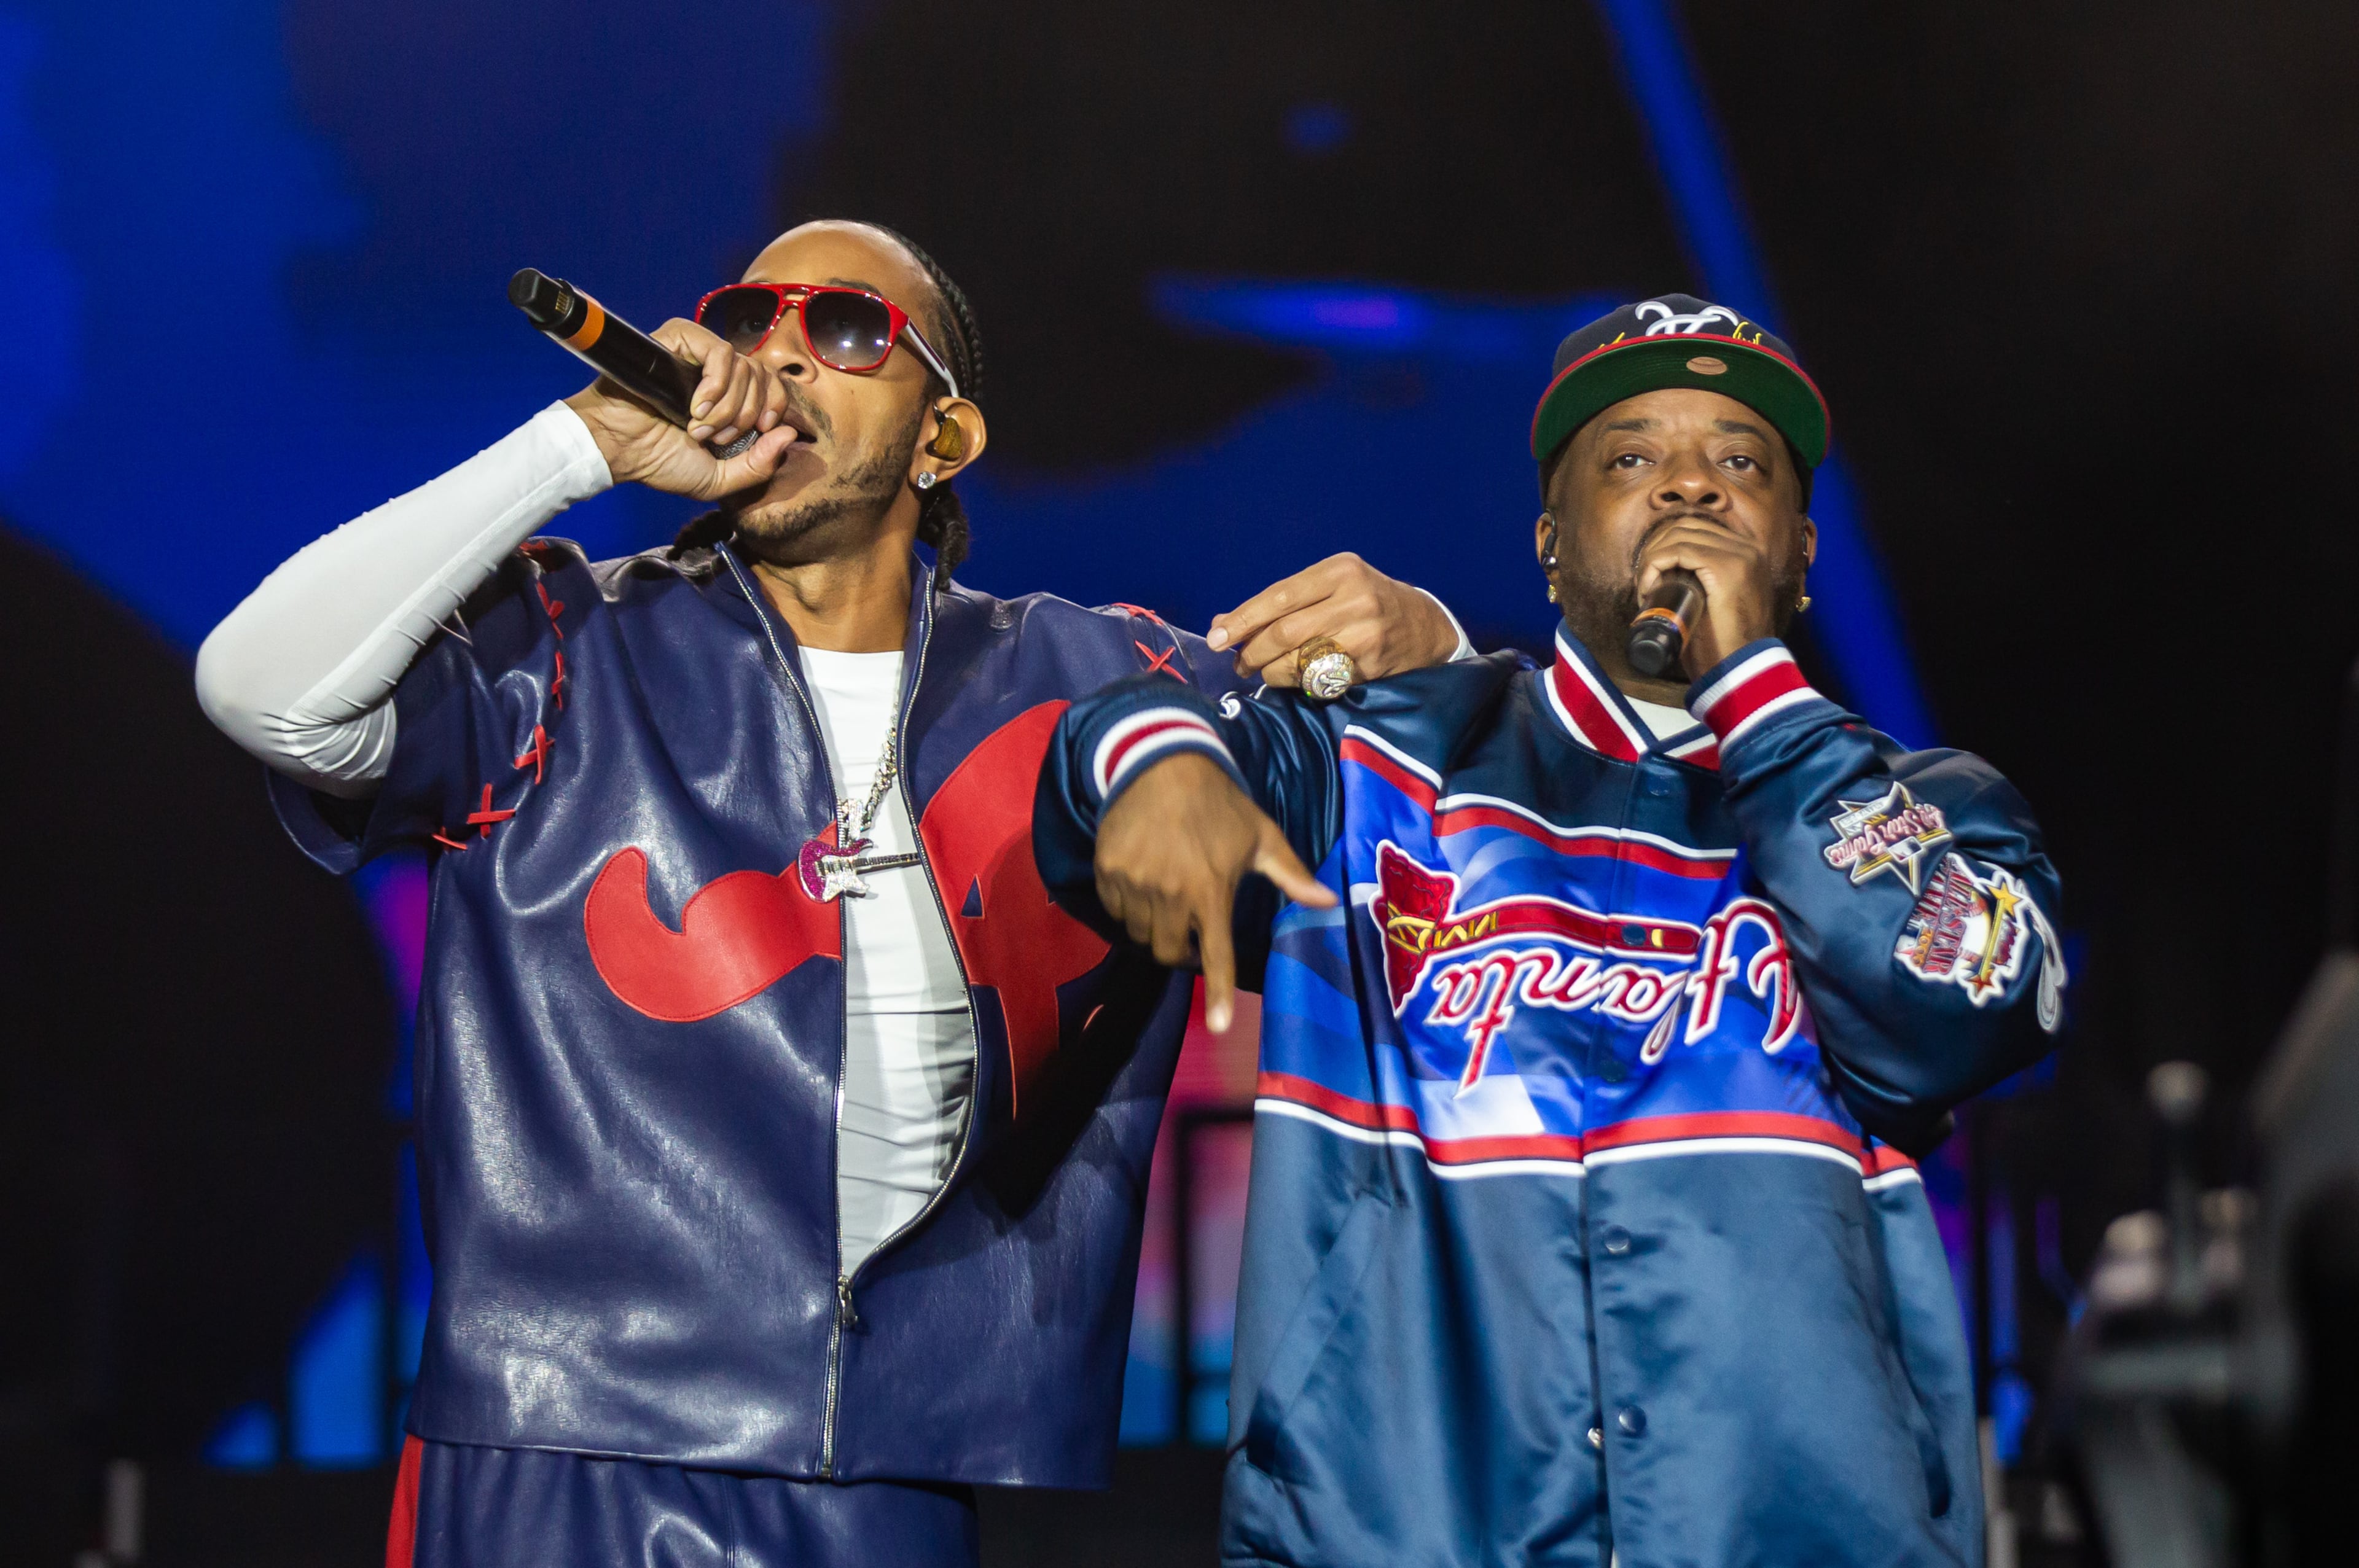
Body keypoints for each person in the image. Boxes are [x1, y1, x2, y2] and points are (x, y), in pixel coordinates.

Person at [194, 219, 1470, 1568]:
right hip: (559, 1435)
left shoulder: (1099, 684)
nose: (782, 357)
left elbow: (1466, 846)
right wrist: (582, 445)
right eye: (751, 322)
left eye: (848, 329)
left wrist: (1435, 644)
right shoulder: (563, 654)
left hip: (888, 1467)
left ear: (942, 438)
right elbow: (260, 687)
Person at [1034, 295, 2067, 1567]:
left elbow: (1964, 1012)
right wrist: (1157, 760)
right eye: (1631, 457)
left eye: (1742, 462)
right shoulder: (1384, 760)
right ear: (1549, 546)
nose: (1690, 485)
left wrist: (1758, 697)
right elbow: (1119, 746)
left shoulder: (1930, 807)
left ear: (1800, 555)